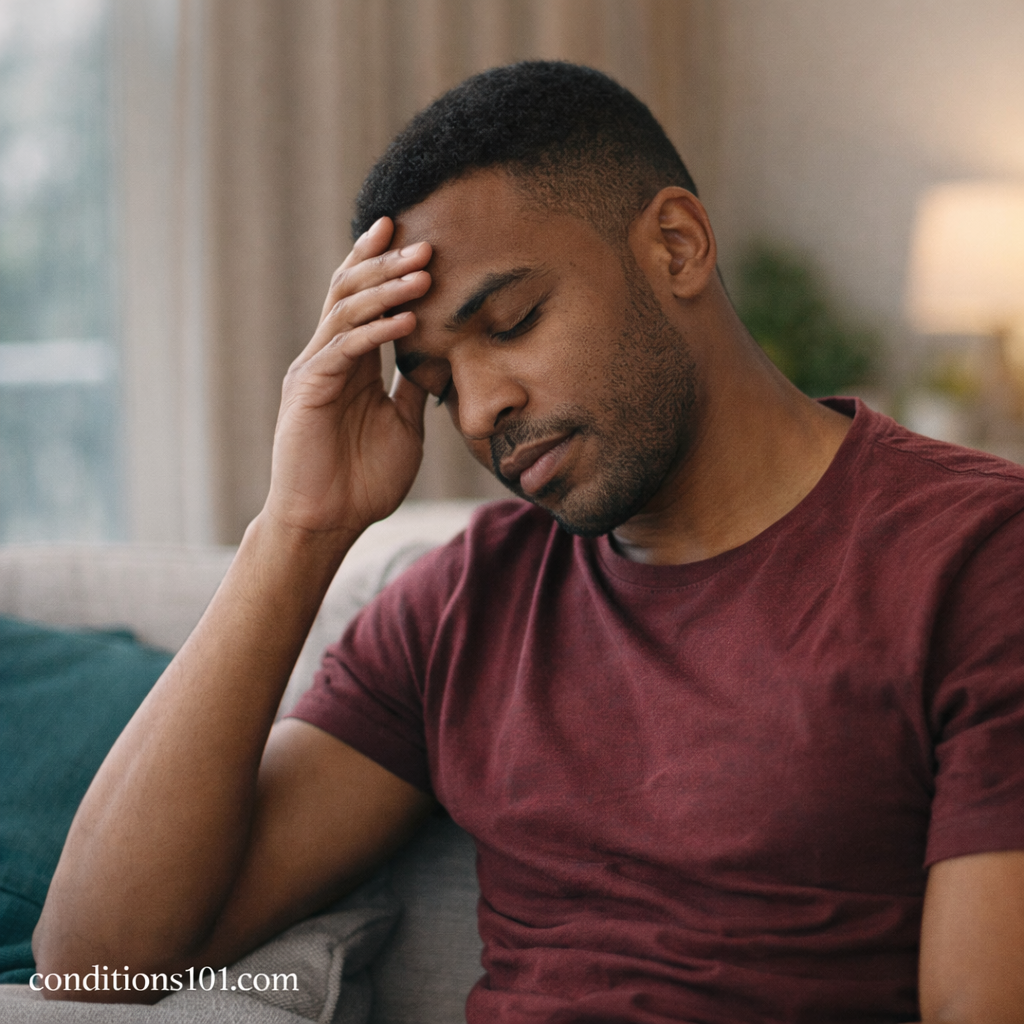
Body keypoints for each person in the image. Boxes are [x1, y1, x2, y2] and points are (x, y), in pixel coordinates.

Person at [33, 62, 1024, 1023]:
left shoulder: (980, 556)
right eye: (433, 379)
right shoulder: (462, 602)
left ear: (676, 245)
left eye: (510, 321)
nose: (479, 411)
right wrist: (296, 529)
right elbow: (95, 965)